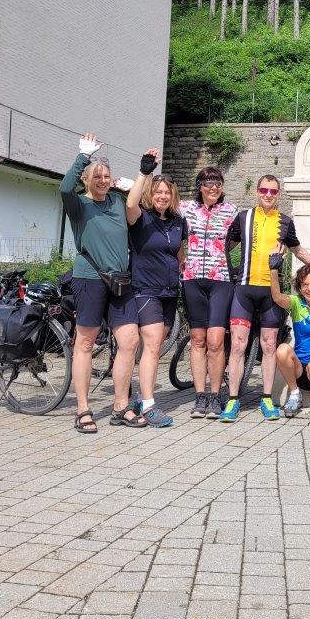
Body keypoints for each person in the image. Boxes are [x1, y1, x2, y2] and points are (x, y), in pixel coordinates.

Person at [61, 133, 145, 433]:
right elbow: (64, 187)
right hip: (89, 279)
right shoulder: (79, 205)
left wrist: (137, 182)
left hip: (119, 281)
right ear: (86, 179)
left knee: (130, 341)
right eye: (96, 176)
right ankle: (83, 409)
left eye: (106, 176)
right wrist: (82, 157)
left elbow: (142, 205)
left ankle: (121, 406)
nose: (102, 180)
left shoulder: (118, 202)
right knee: (85, 342)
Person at [223, 175, 310, 423]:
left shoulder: (285, 222)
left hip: (271, 293)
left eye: (273, 191)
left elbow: (298, 250)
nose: (268, 195)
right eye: (264, 190)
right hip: (244, 290)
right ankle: (233, 399)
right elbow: (224, 246)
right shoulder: (243, 217)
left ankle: (266, 398)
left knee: (269, 346)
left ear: (278, 194)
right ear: (257, 191)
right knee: (237, 345)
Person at [126, 149, 187, 428]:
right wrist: (144, 172)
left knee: (156, 345)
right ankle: (149, 405)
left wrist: (183, 267)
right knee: (151, 344)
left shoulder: (177, 222)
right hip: (145, 289)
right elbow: (130, 203)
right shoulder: (141, 217)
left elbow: (178, 252)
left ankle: (140, 396)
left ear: (173, 196)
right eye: (158, 192)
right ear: (151, 194)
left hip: (169, 291)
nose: (162, 196)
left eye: (167, 192)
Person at [180, 167, 238, 419]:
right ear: (199, 186)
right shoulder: (185, 208)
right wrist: (180, 257)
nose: (213, 187)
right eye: (208, 183)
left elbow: (236, 238)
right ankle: (200, 396)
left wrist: (219, 251)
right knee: (197, 339)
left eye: (218, 183)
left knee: (215, 341)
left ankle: (215, 395)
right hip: (192, 279)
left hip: (220, 279)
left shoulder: (231, 210)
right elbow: (165, 220)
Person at [269, 249, 310, 417]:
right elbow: (277, 297)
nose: (309, 289)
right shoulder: (296, 303)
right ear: (300, 287)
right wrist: (273, 269)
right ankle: (295, 394)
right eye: (304, 285)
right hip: (299, 367)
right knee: (282, 349)